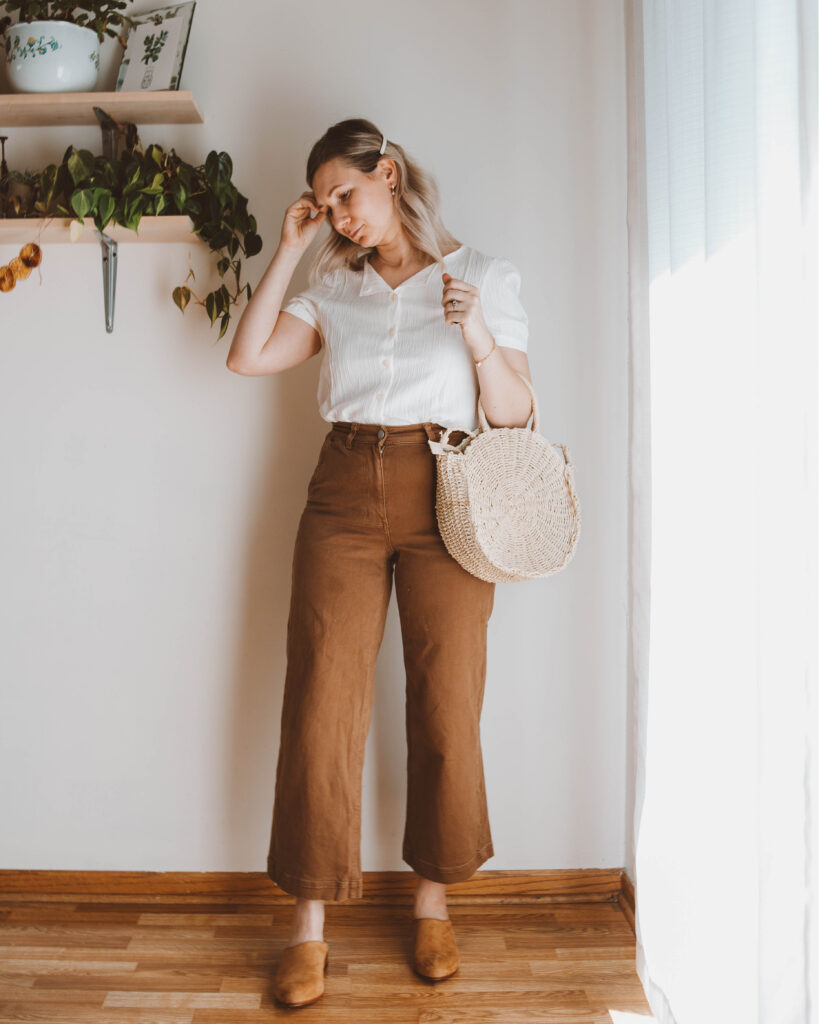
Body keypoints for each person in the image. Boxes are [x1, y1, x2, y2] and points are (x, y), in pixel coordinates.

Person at [226, 117, 533, 1009]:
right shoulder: (332, 285)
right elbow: (248, 358)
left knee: (446, 697)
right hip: (342, 493)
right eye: (324, 207)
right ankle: (308, 926)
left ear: (387, 174)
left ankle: (433, 904)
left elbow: (511, 413)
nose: (338, 216)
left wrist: (474, 336)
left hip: (449, 488)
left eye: (345, 196)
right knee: (322, 695)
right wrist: (288, 250)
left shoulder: (484, 276)